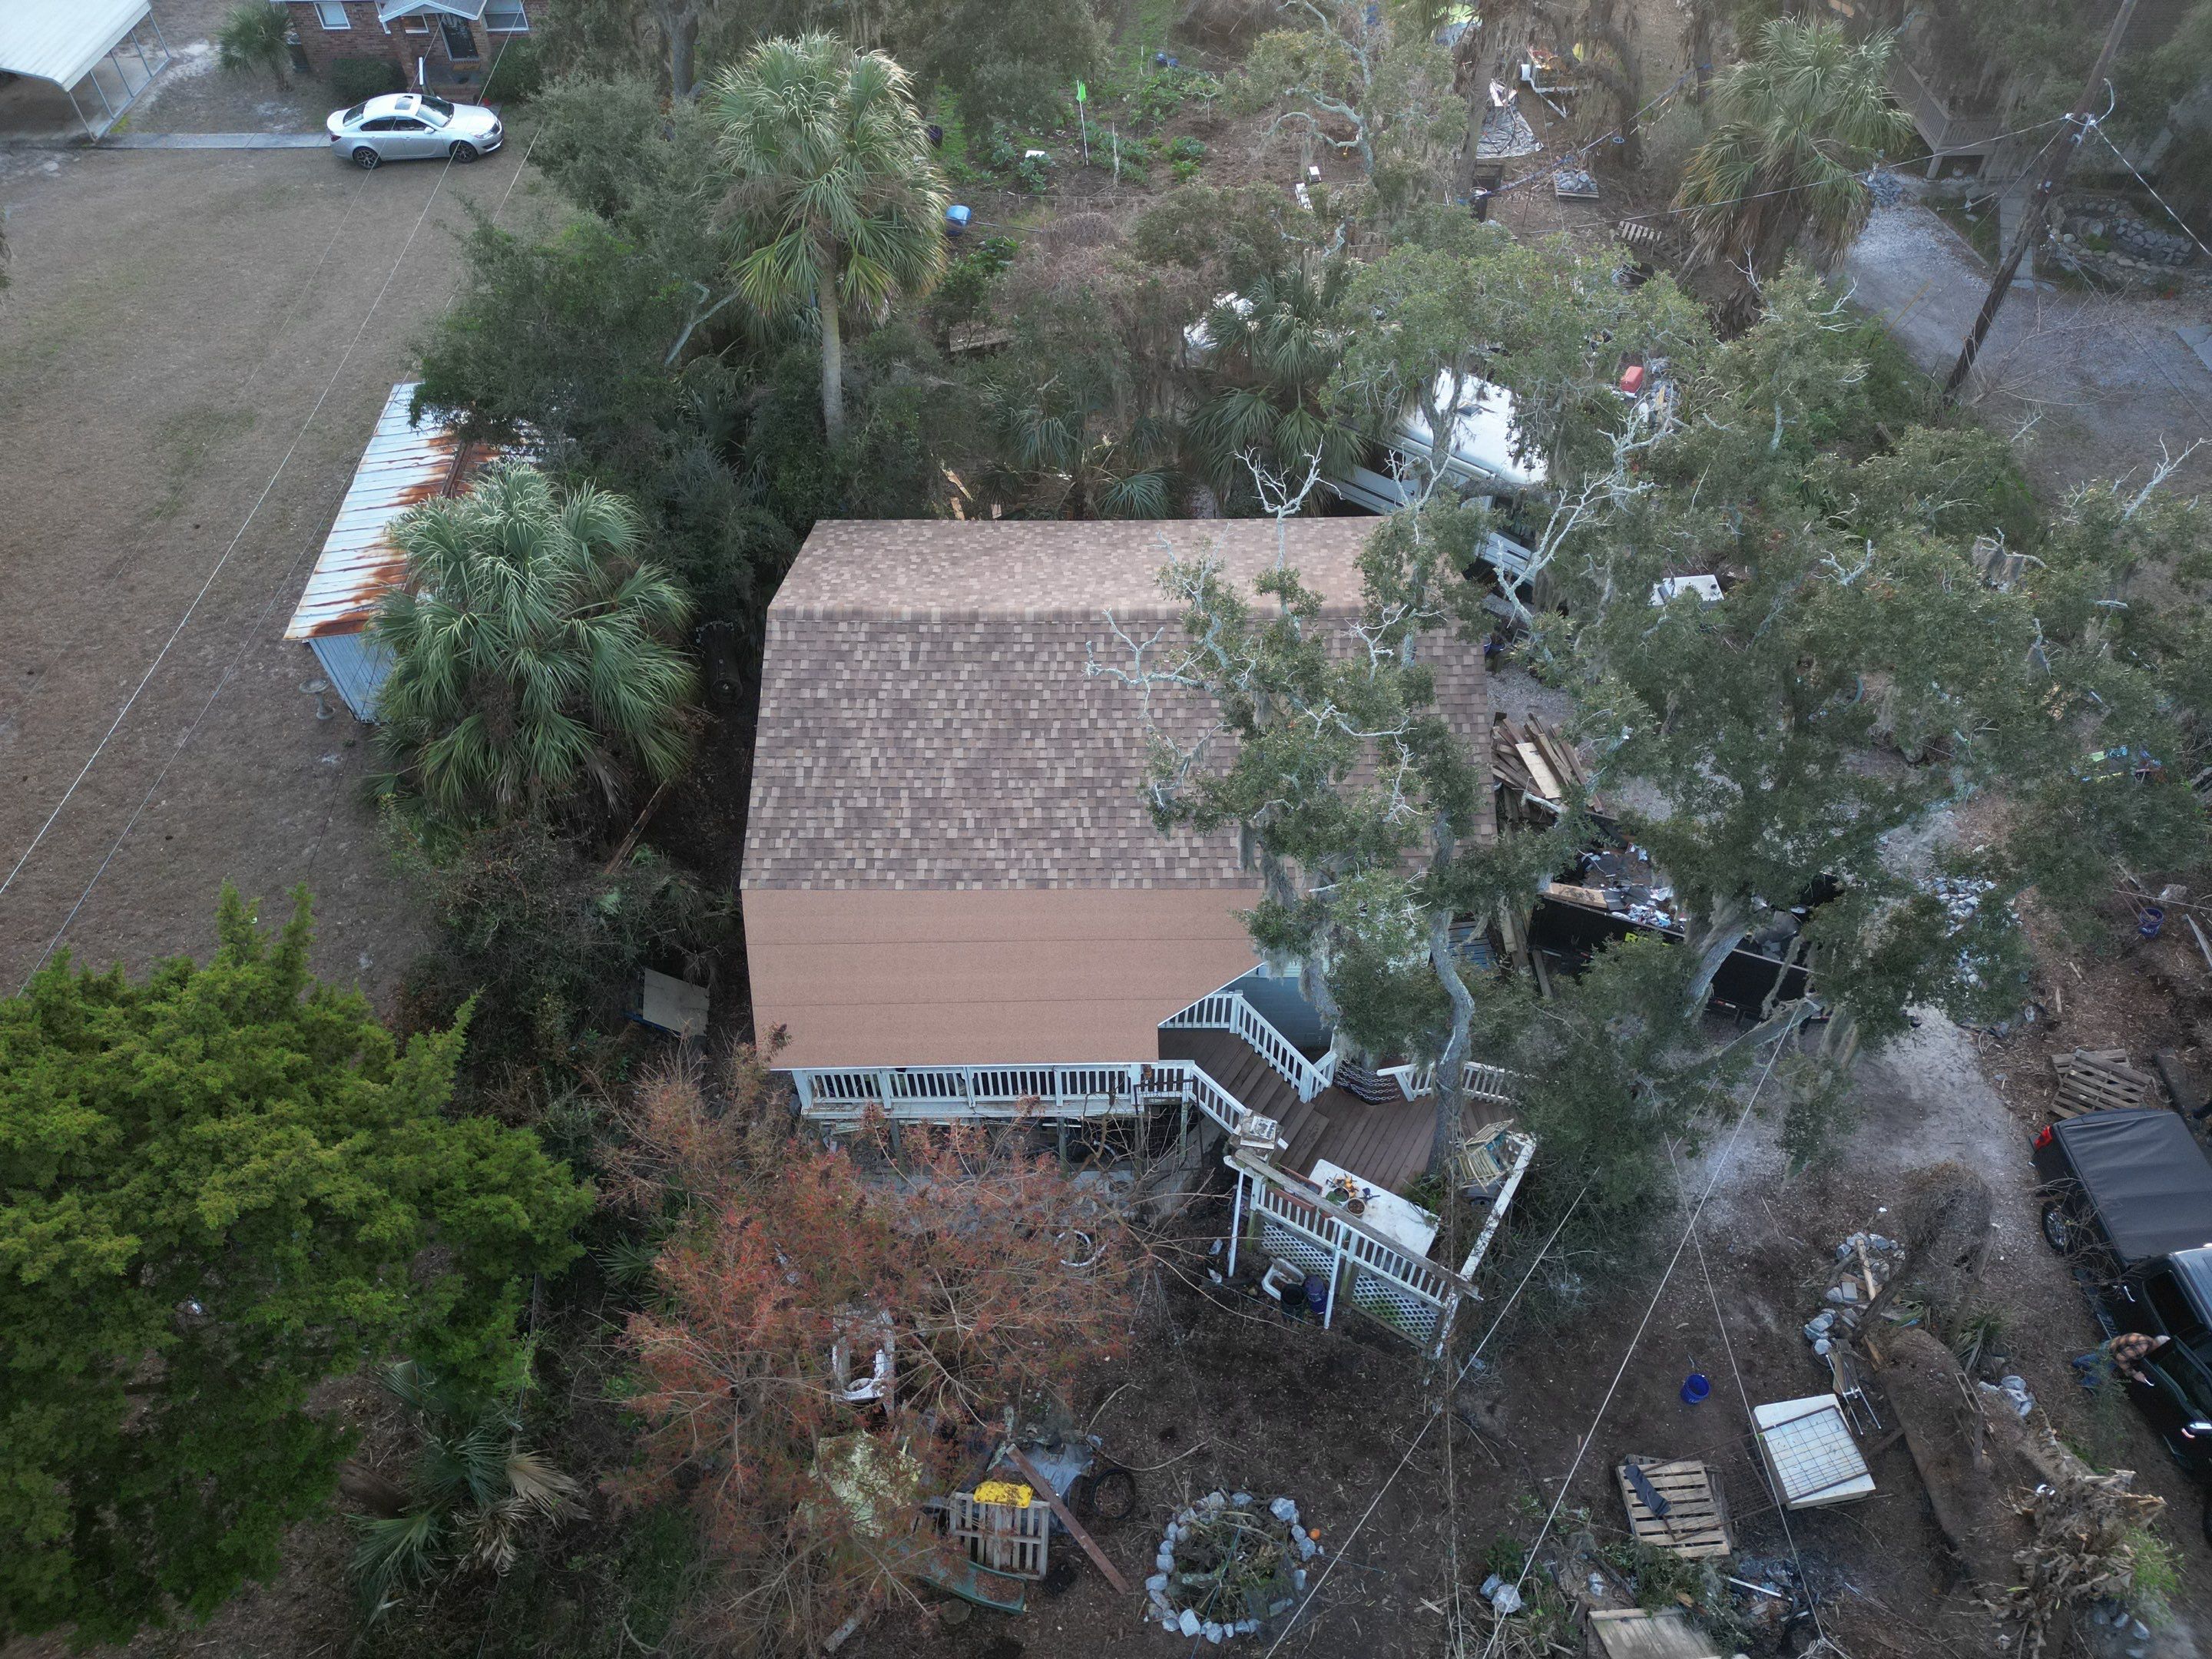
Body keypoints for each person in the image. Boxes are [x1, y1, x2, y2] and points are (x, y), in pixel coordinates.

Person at [2073, 1331, 2170, 1387]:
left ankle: (2077, 1363)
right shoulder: (2143, 1347)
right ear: (2158, 1347)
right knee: (2102, 1371)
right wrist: (2134, 1374)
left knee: (2096, 1359)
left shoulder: (2147, 1340)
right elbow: (2121, 1358)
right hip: (2111, 1353)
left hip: (2110, 1345)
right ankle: (2085, 1385)